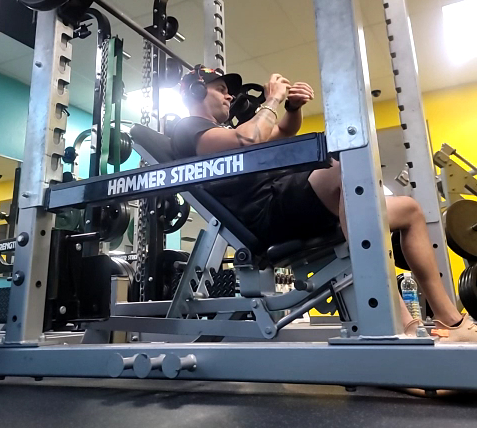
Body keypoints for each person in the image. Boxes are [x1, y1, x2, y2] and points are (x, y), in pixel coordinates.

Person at [170, 64, 477, 343]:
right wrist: (273, 99)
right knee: (345, 169)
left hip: (285, 201)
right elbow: (247, 140)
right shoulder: (189, 128)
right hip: (268, 212)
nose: (229, 96)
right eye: (221, 89)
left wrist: (292, 107)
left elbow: (284, 130)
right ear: (196, 91)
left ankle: (449, 320)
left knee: (410, 210)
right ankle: (398, 320)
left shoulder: (225, 133)